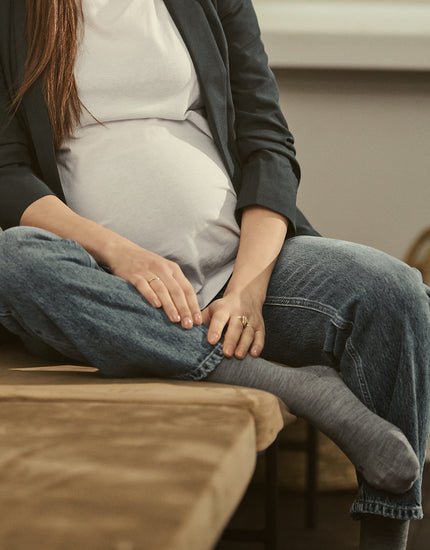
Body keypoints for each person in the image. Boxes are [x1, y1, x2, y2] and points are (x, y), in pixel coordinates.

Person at [0, 1, 428, 548]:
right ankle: (286, 384)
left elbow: (267, 144)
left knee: (392, 289)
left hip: (232, 269)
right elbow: (7, 172)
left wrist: (248, 289)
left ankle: (388, 535)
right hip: (104, 288)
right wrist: (122, 253)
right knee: (13, 258)